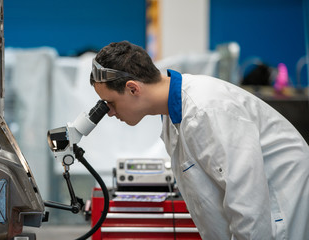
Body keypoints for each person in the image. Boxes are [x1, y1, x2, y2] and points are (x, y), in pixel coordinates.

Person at [89, 41, 309, 239]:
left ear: (132, 88)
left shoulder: (206, 109)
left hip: (281, 211)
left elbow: (248, 203)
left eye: (111, 103)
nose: (109, 112)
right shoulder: (174, 115)